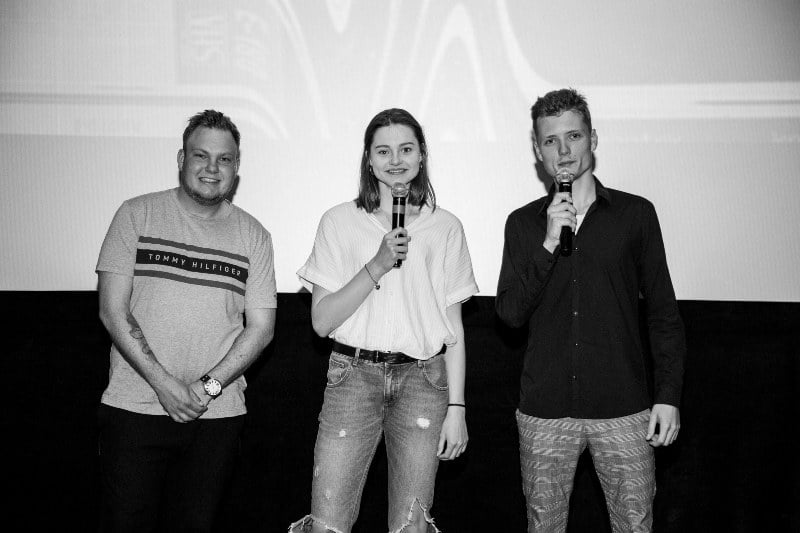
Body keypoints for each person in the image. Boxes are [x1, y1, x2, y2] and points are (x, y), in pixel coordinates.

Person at [495, 88, 686, 532]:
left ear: (593, 140)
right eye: (550, 140)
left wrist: (669, 395)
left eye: (574, 136)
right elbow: (509, 314)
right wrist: (548, 242)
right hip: (545, 411)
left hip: (624, 409)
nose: (563, 150)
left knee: (634, 526)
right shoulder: (523, 224)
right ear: (537, 150)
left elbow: (663, 314)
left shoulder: (636, 215)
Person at [289, 108, 478, 533]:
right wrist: (377, 263)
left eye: (406, 149)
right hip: (352, 377)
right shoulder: (339, 221)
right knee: (327, 523)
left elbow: (454, 331)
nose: (396, 160)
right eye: (384, 151)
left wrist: (457, 407)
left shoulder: (446, 227)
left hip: (423, 382)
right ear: (369, 160)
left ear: (422, 155)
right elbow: (321, 322)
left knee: (412, 526)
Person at [95, 109, 277, 532]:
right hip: (133, 409)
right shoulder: (136, 215)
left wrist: (205, 388)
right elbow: (111, 310)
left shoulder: (254, 235)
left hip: (215, 416)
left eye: (224, 159)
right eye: (201, 155)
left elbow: (262, 329)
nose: (212, 168)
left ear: (236, 167)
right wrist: (165, 385)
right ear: (181, 159)